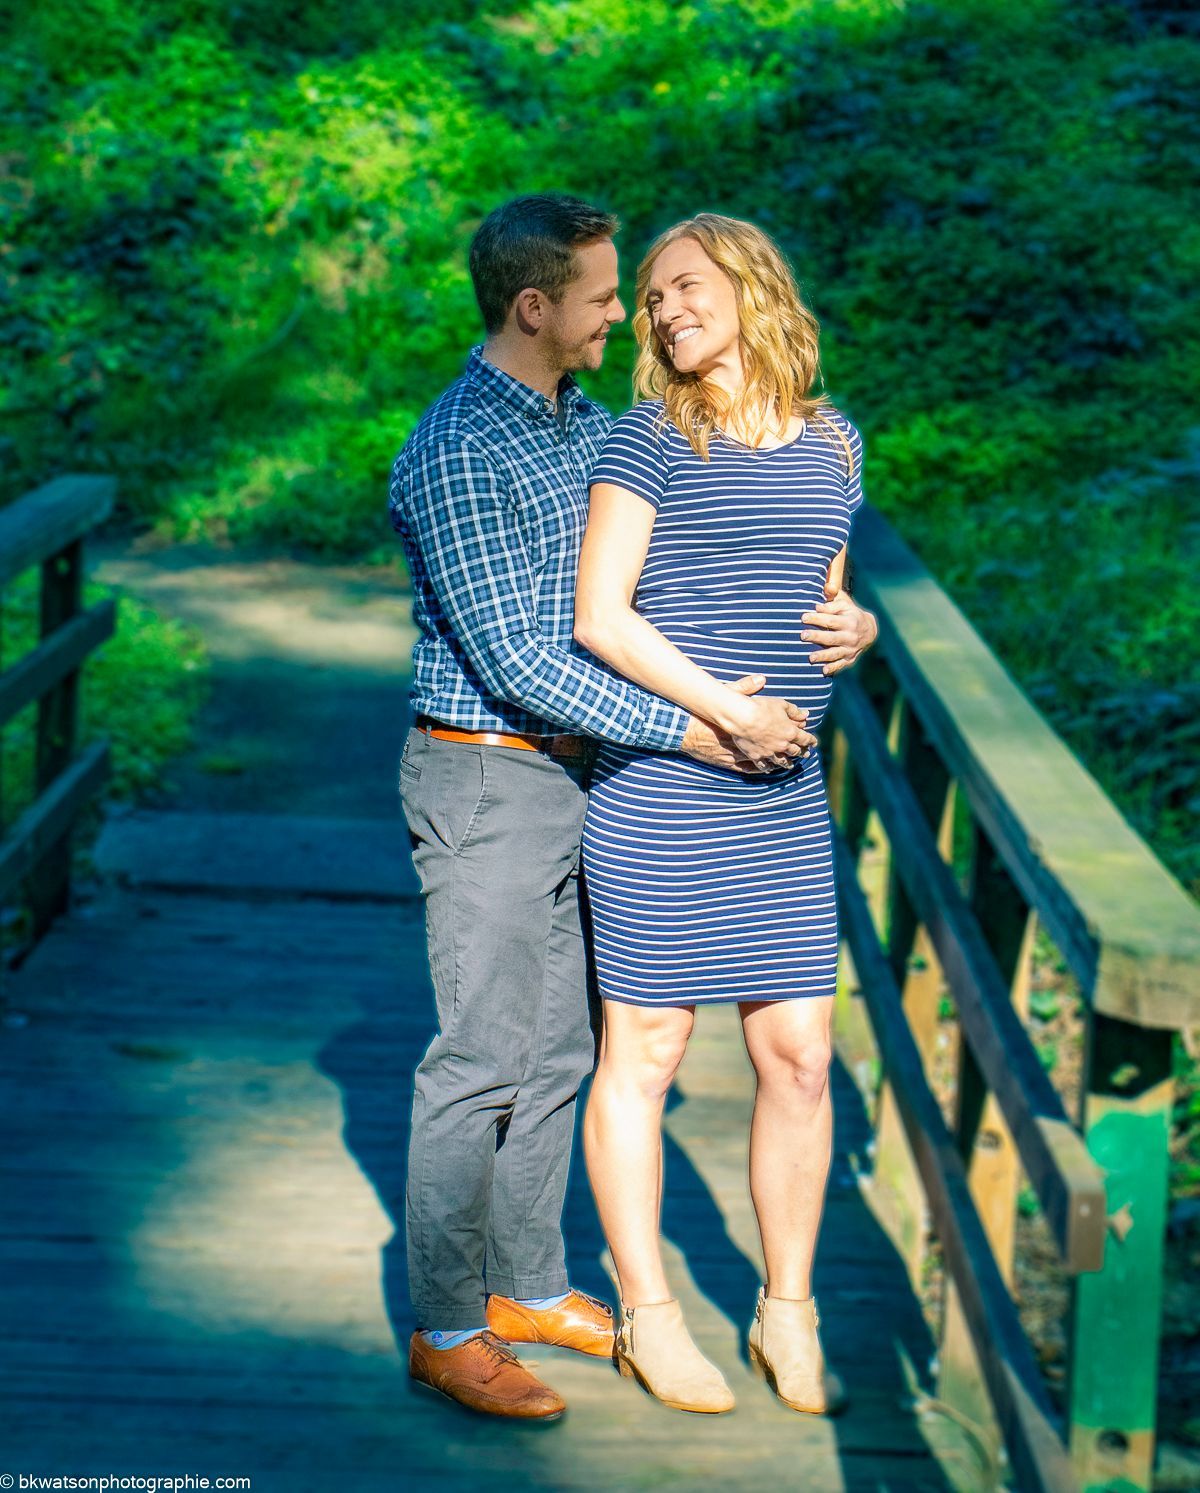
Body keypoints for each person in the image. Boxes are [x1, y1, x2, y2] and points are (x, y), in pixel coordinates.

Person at [388, 194, 873, 1422]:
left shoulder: (580, 420)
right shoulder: (460, 444)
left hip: (590, 767)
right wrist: (707, 726)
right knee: (480, 1055)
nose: (635, 312)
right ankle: (450, 1323)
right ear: (536, 306)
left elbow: (766, 567)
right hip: (498, 762)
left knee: (558, 1049)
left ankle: (533, 1283)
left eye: (654, 290)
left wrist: (853, 626)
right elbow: (537, 649)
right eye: (618, 294)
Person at [575, 213, 869, 1416]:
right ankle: (648, 1312)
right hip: (665, 783)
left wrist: (863, 630)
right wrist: (719, 709)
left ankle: (786, 1311)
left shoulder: (836, 440)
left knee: (798, 1058)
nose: (663, 310)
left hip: (784, 797)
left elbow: (827, 595)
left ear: (751, 287)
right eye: (647, 299)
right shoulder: (646, 440)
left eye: (683, 285)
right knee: (643, 1054)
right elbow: (603, 615)